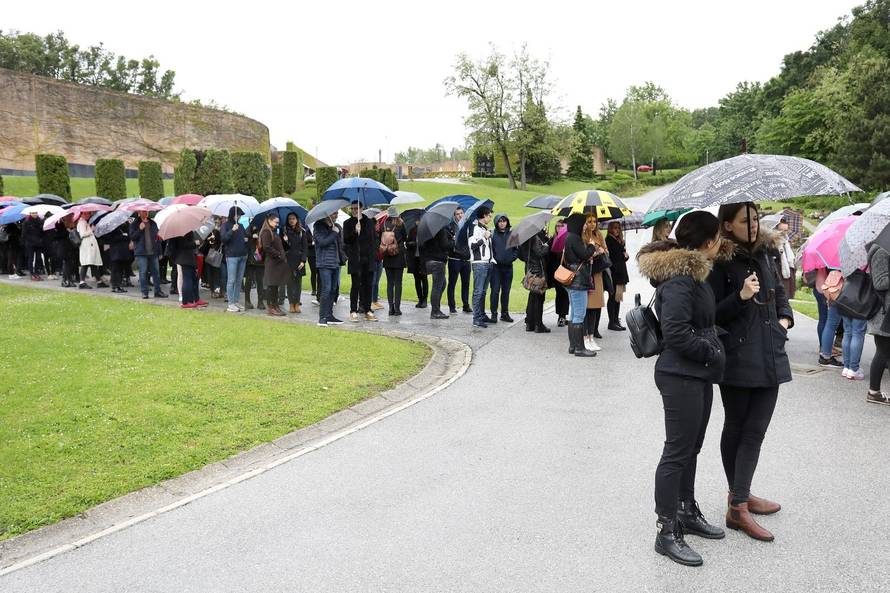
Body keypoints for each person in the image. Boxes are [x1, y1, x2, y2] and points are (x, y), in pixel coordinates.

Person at [638, 211, 727, 568]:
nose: (721, 244)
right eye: (718, 238)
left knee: (692, 447)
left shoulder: (696, 274)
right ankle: (666, 531)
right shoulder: (679, 280)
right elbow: (675, 333)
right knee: (677, 452)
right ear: (707, 242)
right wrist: (711, 351)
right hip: (680, 374)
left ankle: (686, 511)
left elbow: (701, 320)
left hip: (697, 373)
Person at [709, 202, 793, 543]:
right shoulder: (719, 261)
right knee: (737, 428)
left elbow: (779, 293)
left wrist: (785, 321)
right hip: (738, 356)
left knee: (756, 431)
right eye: (746, 220)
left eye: (756, 218)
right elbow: (711, 313)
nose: (754, 225)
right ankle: (738, 504)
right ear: (728, 225)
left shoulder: (766, 252)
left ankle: (739, 497)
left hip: (771, 350)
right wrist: (741, 296)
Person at [562, 213, 597, 357]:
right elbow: (584, 254)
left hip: (572, 280)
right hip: (578, 281)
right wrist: (592, 246)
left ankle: (573, 346)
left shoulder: (569, 237)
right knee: (579, 315)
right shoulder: (574, 238)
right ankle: (579, 348)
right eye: (584, 223)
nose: (585, 226)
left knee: (573, 314)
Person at [343, 202, 379, 322]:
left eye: (356, 208)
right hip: (355, 259)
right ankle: (353, 311)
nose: (354, 210)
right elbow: (346, 240)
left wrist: (374, 253)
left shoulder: (369, 222)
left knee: (368, 285)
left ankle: (367, 310)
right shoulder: (347, 223)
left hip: (368, 259)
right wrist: (355, 231)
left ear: (361, 209)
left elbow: (374, 239)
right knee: (356, 285)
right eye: (352, 208)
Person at [865, 244, 890, 405]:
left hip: (887, 312)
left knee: (886, 352)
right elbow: (880, 282)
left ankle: (874, 392)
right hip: (882, 313)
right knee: (882, 352)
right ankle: (873, 392)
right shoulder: (881, 251)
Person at [312, 214, 344, 326]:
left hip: (335, 262)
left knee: (333, 290)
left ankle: (329, 315)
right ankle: (322, 318)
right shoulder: (318, 226)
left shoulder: (336, 226)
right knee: (326, 289)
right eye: (334, 213)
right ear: (327, 214)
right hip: (324, 262)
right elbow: (322, 242)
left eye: (337, 213)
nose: (336, 215)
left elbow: (340, 243)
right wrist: (334, 232)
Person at [420, 217, 454, 320]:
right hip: (438, 261)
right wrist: (453, 241)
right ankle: (435, 311)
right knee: (437, 287)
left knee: (442, 284)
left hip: (429, 260)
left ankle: (436, 308)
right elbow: (445, 245)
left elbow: (422, 245)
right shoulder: (441, 230)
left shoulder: (427, 230)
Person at [583, 215, 608, 351]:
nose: (592, 224)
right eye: (589, 221)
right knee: (587, 307)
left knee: (595, 307)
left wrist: (602, 251)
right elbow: (583, 254)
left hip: (597, 273)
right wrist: (594, 251)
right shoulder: (583, 236)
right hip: (587, 274)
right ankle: (585, 337)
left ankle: (591, 336)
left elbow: (606, 250)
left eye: (594, 221)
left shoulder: (599, 234)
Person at [129, 210, 167, 299]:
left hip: (153, 252)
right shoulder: (135, 223)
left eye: (146, 211)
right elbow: (132, 237)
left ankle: (158, 291)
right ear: (139, 212)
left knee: (156, 273)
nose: (145, 213)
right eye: (143, 211)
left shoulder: (153, 223)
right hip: (141, 253)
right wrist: (140, 229)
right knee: (143, 273)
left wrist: (160, 252)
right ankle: (144, 292)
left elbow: (157, 238)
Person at [469, 207, 495, 328]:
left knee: (483, 292)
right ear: (484, 216)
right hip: (479, 263)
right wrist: (484, 237)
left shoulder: (484, 228)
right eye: (489, 216)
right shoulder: (474, 228)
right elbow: (472, 245)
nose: (490, 218)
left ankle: (482, 314)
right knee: (478, 291)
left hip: (488, 263)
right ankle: (476, 318)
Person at [259, 214, 289, 317]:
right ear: (269, 221)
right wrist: (278, 254)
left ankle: (275, 305)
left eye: (278, 222)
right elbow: (266, 247)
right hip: (272, 262)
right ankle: (271, 307)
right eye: (276, 222)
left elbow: (277, 245)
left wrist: (284, 241)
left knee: (275, 285)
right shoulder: (266, 232)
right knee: (271, 285)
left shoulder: (273, 231)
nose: (277, 224)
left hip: (277, 263)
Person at [489, 214, 517, 323]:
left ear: (507, 222)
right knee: (495, 291)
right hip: (496, 268)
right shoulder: (492, 234)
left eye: (504, 221)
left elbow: (516, 249)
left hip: (508, 268)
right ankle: (494, 314)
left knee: (506, 291)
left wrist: (512, 258)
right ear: (497, 222)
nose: (502, 223)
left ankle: (504, 314)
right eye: (500, 221)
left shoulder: (512, 234)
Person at [380, 209, 407, 316]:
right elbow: (405, 237)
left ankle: (390, 308)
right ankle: (397, 308)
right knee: (398, 283)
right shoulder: (400, 224)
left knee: (390, 283)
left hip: (387, 255)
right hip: (398, 255)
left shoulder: (383, 224)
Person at [523, 228, 550, 333]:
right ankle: (538, 325)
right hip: (538, 271)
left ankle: (530, 323)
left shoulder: (526, 236)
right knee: (539, 298)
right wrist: (546, 245)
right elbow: (540, 252)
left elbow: (522, 254)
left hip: (530, 269)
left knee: (532, 297)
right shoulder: (535, 237)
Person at [220, 208, 248, 313]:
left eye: (240, 215)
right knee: (231, 280)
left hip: (242, 256)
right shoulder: (225, 226)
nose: (239, 217)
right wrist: (232, 230)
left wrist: (246, 241)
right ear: (232, 214)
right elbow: (223, 239)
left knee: (239, 280)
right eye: (237, 215)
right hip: (232, 256)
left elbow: (245, 237)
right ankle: (230, 303)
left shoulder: (241, 226)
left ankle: (236, 301)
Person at [447, 207, 472, 314]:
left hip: (466, 259)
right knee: (452, 283)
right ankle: (452, 306)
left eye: (461, 213)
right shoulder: (450, 227)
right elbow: (447, 243)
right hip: (454, 259)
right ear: (454, 216)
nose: (460, 215)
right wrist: (452, 239)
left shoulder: (468, 226)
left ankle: (466, 305)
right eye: (457, 214)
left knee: (466, 283)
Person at [282, 212, 308, 314]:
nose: (291, 220)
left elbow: (305, 248)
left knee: (298, 284)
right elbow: (283, 248)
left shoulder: (302, 232)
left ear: (297, 220)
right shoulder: (285, 231)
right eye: (289, 219)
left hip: (299, 260)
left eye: (293, 218)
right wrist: (285, 241)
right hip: (288, 260)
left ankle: (297, 303)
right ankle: (291, 304)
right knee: (289, 283)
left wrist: (303, 260)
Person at [171, 230, 205, 308]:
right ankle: (186, 302)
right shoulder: (182, 232)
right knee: (187, 280)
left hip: (189, 258)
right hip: (185, 258)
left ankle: (195, 299)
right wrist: (195, 243)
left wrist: (196, 243)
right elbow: (183, 245)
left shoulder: (187, 230)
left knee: (194, 279)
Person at [606, 221, 629, 331]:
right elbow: (611, 258)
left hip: (620, 272)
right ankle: (612, 321)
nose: (617, 230)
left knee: (618, 297)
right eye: (615, 228)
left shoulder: (618, 240)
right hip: (614, 273)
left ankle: (616, 320)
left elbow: (621, 257)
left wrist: (625, 254)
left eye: (618, 228)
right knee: (613, 297)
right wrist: (622, 253)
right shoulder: (609, 241)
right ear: (610, 229)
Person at [77, 212, 107, 289]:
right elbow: (83, 234)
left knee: (92, 263)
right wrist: (91, 230)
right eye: (85, 214)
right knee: (86, 263)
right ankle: (82, 282)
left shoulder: (84, 222)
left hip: (89, 245)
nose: (88, 215)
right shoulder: (82, 222)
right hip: (87, 245)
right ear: (81, 214)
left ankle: (99, 281)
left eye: (88, 214)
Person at [548, 219, 569, 327]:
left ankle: (563, 315)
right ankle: (560, 316)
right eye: (557, 226)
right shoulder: (553, 239)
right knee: (559, 292)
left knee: (565, 293)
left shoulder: (567, 239)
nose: (559, 228)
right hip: (555, 270)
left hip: (566, 269)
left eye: (561, 226)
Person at [406, 220, 428, 309]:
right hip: (414, 258)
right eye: (417, 220)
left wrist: (422, 244)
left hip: (423, 258)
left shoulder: (426, 231)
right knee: (417, 279)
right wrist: (411, 243)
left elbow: (429, 245)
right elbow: (407, 243)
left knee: (424, 278)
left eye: (420, 220)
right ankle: (420, 299)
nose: (418, 222)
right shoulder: (412, 230)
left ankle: (425, 299)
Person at [244, 223, 265, 310]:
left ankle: (260, 301)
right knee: (249, 280)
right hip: (250, 260)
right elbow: (244, 241)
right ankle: (247, 301)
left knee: (260, 281)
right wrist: (251, 237)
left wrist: (259, 237)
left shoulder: (263, 229)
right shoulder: (248, 229)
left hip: (260, 259)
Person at [106, 222, 131, 293]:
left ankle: (117, 285)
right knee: (116, 269)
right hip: (116, 251)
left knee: (120, 269)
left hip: (122, 251)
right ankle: (116, 285)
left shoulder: (125, 227)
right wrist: (123, 236)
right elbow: (111, 238)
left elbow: (129, 236)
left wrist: (125, 236)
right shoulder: (112, 228)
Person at [22, 211, 45, 281]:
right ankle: (32, 273)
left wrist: (41, 239)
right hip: (30, 243)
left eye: (36, 213)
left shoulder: (40, 221)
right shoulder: (26, 222)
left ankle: (37, 273)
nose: (35, 214)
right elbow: (24, 234)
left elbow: (42, 232)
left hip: (39, 243)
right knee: (31, 258)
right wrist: (31, 239)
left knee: (38, 258)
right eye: (33, 213)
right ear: (30, 214)